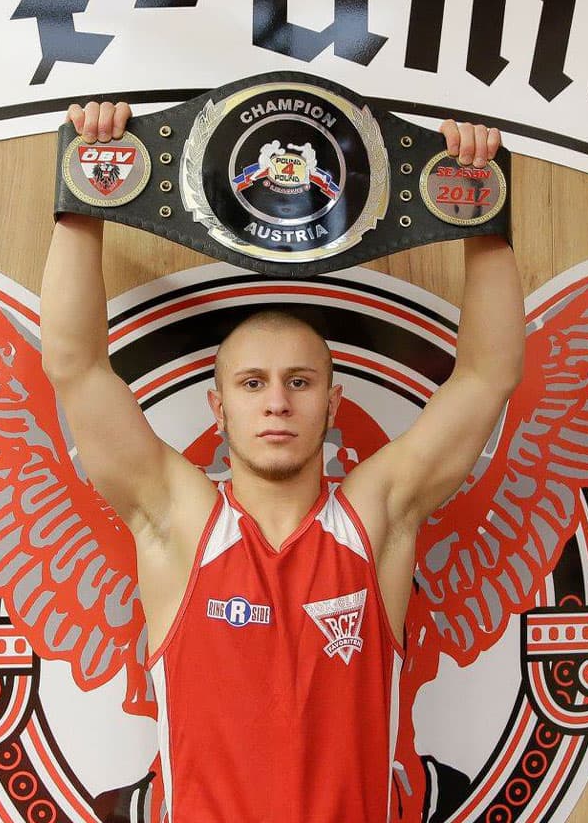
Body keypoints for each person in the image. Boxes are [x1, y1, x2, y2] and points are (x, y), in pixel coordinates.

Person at [40, 100, 525, 823]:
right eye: (252, 384)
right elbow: (76, 367)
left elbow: (487, 376)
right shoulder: (179, 524)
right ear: (219, 407)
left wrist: (479, 207)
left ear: (331, 403)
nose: (276, 403)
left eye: (299, 383)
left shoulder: (375, 520)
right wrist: (84, 194)